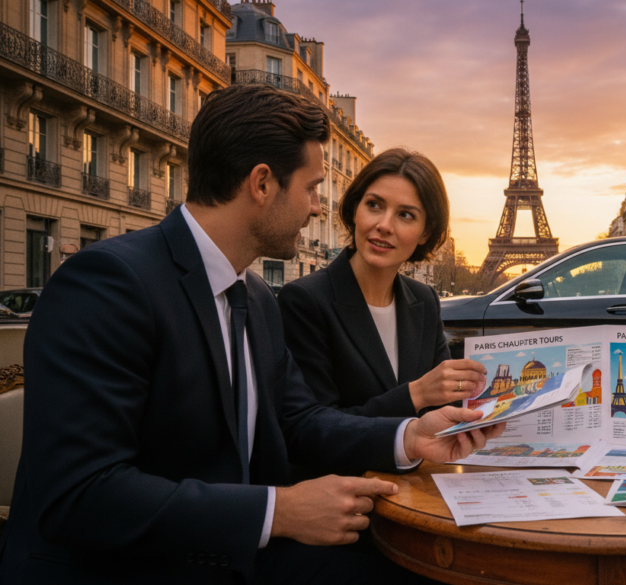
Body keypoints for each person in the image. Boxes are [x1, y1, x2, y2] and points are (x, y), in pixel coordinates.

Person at [0, 84, 503, 584]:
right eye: (310, 189)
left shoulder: (257, 298)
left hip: (228, 552)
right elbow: (80, 495)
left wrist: (409, 435)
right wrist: (277, 511)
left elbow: (300, 420)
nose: (314, 208)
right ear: (262, 184)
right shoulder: (108, 283)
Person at [278, 149, 486, 418]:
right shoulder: (304, 301)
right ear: (355, 210)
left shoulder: (425, 300)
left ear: (426, 233)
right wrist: (416, 395)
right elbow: (313, 427)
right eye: (374, 205)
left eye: (406, 215)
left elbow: (444, 408)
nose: (384, 225)